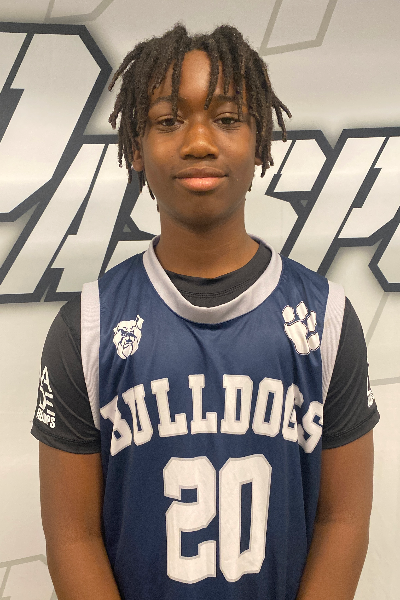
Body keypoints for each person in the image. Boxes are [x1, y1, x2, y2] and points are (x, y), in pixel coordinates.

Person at [32, 24, 379, 600]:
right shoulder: (87, 326)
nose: (198, 142)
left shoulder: (328, 319)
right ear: (136, 147)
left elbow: (342, 520)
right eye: (169, 120)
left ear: (260, 143)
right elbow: (72, 536)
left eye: (227, 118)